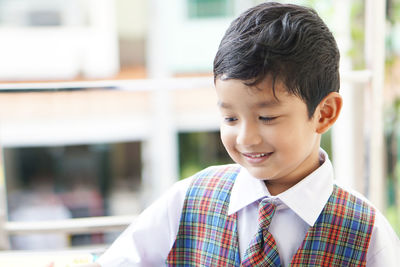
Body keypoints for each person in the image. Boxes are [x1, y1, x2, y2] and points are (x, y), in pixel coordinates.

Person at [93, 2, 400, 266]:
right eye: (230, 117)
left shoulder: (367, 233)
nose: (245, 138)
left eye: (267, 117)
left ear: (324, 113)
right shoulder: (188, 200)